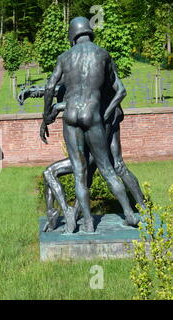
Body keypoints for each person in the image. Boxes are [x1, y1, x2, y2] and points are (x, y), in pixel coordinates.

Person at [41, 17, 139, 233]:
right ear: (88, 32)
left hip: (71, 114)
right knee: (107, 169)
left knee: (79, 172)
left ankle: (87, 224)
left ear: (73, 35)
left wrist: (47, 114)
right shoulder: (102, 54)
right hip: (92, 115)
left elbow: (50, 87)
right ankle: (130, 213)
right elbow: (121, 90)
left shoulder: (65, 57)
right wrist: (106, 113)